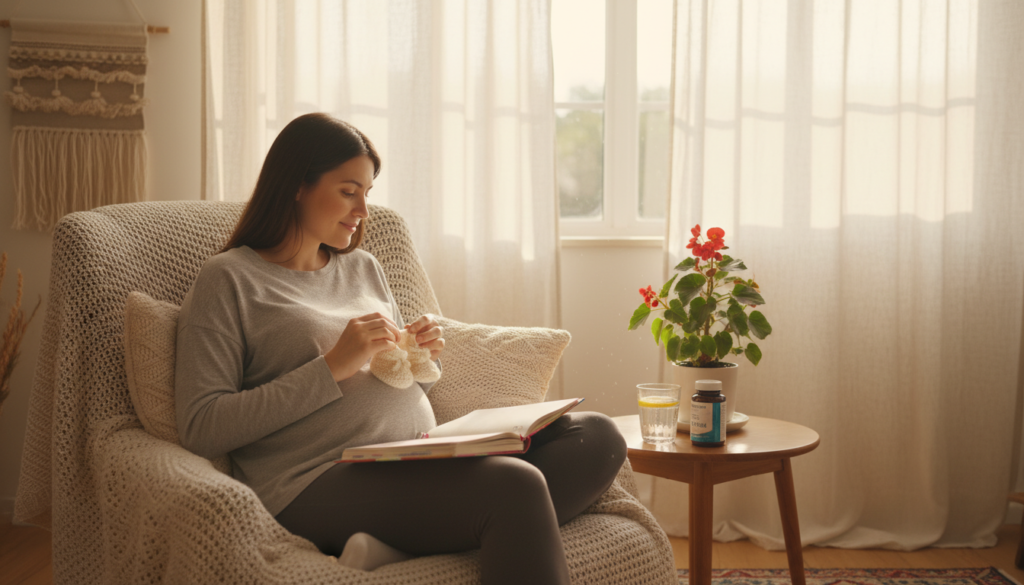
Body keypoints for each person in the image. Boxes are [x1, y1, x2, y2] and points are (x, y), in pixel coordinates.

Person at [174, 113, 627, 585]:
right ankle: (476, 526)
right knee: (516, 485)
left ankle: (399, 546)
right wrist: (332, 367)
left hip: (412, 458)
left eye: (367, 193)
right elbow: (202, 425)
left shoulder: (363, 267)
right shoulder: (228, 280)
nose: (362, 211)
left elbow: (392, 380)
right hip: (312, 479)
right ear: (297, 186)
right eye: (348, 191)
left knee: (596, 437)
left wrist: (421, 356)